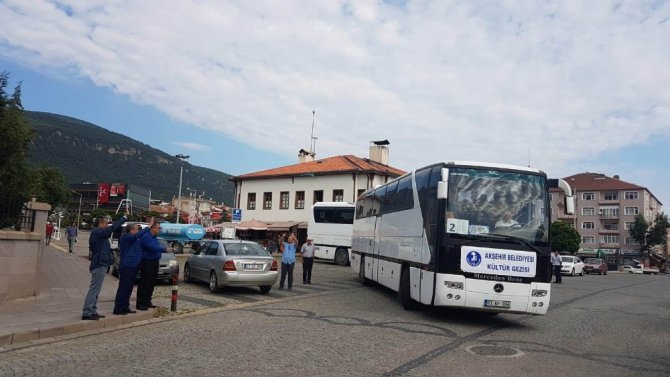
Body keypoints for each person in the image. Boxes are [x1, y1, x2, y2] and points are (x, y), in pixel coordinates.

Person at [82, 214, 127, 320]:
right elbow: (112, 229)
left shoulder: (99, 234)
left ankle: (92, 310)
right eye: (106, 223)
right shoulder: (98, 232)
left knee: (96, 289)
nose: (108, 226)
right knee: (94, 289)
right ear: (101, 223)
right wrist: (123, 218)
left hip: (101, 263)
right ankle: (87, 312)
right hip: (98, 264)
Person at [113, 224, 150, 315]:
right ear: (132, 230)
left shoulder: (134, 238)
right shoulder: (126, 237)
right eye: (137, 229)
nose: (138, 231)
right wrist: (148, 228)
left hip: (133, 266)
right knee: (123, 288)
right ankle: (118, 308)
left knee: (129, 288)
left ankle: (125, 306)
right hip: (127, 266)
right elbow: (137, 236)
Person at [136, 222, 168, 310]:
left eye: (159, 228)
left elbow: (156, 247)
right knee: (145, 282)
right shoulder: (146, 237)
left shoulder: (155, 238)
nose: (159, 230)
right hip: (147, 261)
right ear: (152, 228)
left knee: (151, 282)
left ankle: (147, 301)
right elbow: (152, 247)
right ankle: (141, 303)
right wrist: (165, 249)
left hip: (154, 261)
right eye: (158, 228)